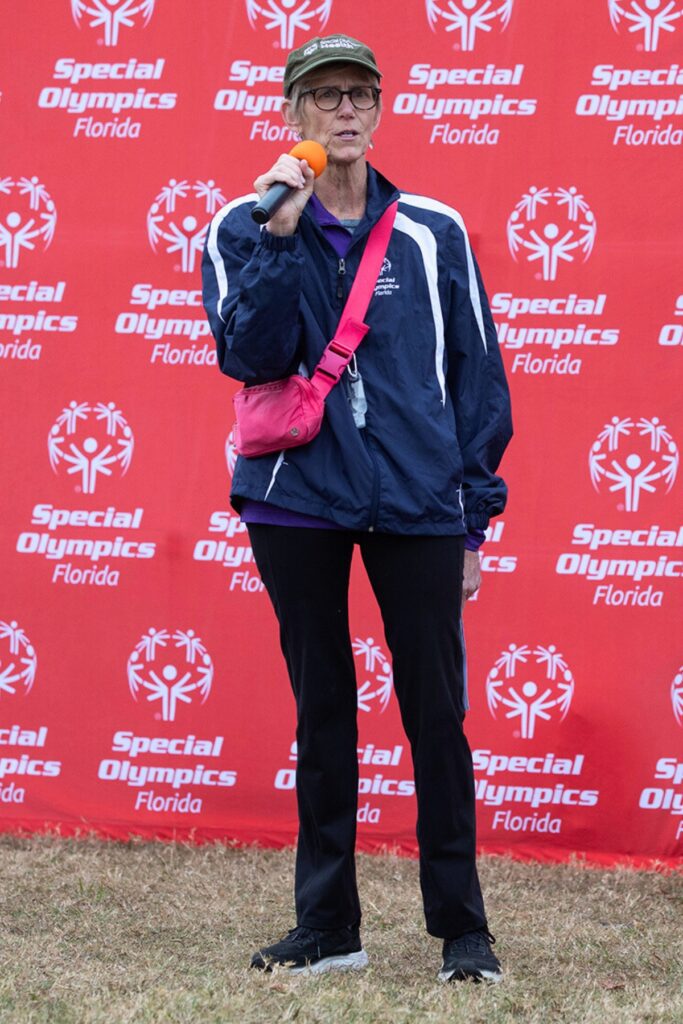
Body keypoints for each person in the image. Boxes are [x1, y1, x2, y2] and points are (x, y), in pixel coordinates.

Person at [202, 33, 512, 984]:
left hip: (417, 500)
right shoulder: (238, 226)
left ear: (379, 111)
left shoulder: (432, 229)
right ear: (292, 113)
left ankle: (464, 932)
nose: (343, 111)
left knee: (435, 713)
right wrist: (279, 235)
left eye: (358, 96)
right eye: (323, 96)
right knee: (323, 708)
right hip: (296, 502)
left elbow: (477, 377)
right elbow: (249, 356)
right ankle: (329, 927)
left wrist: (472, 517)